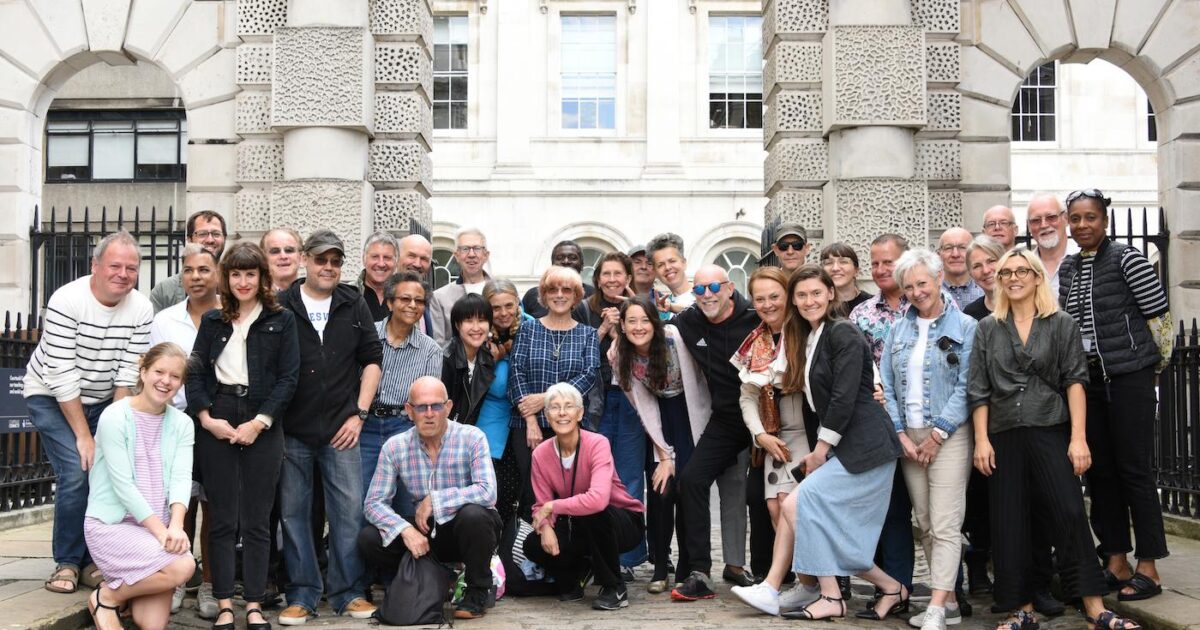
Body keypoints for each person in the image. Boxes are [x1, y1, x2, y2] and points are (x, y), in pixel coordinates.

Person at [970, 249, 1143, 630]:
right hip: (1003, 435)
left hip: (1050, 428)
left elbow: (1075, 381)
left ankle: (1095, 607)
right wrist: (981, 440)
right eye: (1005, 273)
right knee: (1010, 522)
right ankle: (1022, 609)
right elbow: (978, 389)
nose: (1013, 278)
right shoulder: (987, 328)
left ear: (1036, 277)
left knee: (1069, 514)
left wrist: (1078, 439)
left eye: (1021, 271)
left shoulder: (1061, 323)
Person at [731, 265, 903, 621]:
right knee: (802, 509)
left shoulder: (843, 333)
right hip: (848, 446)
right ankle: (881, 587)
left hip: (867, 446)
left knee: (800, 505)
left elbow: (842, 399)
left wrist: (820, 451)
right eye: (802, 295)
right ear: (794, 301)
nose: (809, 301)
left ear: (830, 293)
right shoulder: (811, 335)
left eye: (816, 293)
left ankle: (833, 593)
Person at [1059, 188, 1173, 603]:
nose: (1083, 225)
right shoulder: (1070, 268)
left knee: (1135, 472)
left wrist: (1150, 368)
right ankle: (1115, 561)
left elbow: (1159, 318)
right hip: (1088, 385)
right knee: (1100, 474)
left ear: (1104, 221)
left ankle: (1149, 566)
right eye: (1076, 218)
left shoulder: (1128, 259)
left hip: (1129, 379)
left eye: (1090, 217)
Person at [25, 230, 153, 595]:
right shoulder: (67, 300)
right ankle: (66, 562)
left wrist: (110, 431)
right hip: (51, 395)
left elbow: (128, 375)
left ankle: (94, 559)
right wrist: (84, 436)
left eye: (131, 267)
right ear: (95, 266)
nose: (123, 274)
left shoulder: (141, 308)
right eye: (115, 265)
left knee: (107, 472)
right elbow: (61, 375)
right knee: (78, 471)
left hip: (103, 399)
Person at [187, 242, 299, 630]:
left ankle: (252, 603)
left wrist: (261, 421)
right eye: (236, 274)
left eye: (250, 274)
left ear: (262, 277)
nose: (243, 281)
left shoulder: (281, 320)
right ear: (226, 278)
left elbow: (289, 378)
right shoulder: (213, 320)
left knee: (256, 520)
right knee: (220, 518)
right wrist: (206, 418)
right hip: (218, 416)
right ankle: (223, 604)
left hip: (262, 419)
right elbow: (196, 373)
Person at [277, 230, 383, 625]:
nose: (329, 267)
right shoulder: (282, 304)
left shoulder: (352, 302)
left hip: (342, 428)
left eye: (336, 261)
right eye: (322, 259)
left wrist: (359, 413)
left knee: (348, 513)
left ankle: (348, 593)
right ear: (305, 259)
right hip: (292, 431)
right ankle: (302, 594)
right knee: (294, 514)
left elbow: (372, 359)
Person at [880, 249, 976, 630]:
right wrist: (900, 433)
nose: (917, 291)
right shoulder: (897, 330)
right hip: (909, 438)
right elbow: (886, 385)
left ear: (938, 280)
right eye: (909, 286)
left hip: (948, 434)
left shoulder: (966, 327)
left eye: (922, 283)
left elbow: (968, 386)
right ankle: (948, 599)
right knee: (925, 521)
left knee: (947, 522)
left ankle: (935, 605)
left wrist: (938, 433)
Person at [358, 376, 501, 620]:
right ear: (409, 411)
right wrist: (405, 529)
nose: (429, 414)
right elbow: (373, 503)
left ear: (448, 407)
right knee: (369, 538)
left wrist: (435, 500)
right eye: (421, 407)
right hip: (425, 533)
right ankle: (430, 579)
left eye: (436, 406)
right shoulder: (395, 446)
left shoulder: (472, 437)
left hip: (463, 530)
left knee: (474, 515)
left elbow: (487, 491)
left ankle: (478, 589)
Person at [83, 343, 197, 630]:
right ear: (143, 371)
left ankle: (120, 591)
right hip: (112, 526)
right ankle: (106, 597)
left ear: (181, 383)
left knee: (151, 623)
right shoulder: (115, 416)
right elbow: (123, 485)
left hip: (154, 532)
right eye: (159, 371)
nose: (165, 381)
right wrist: (162, 533)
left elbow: (182, 478)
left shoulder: (183, 423)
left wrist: (177, 526)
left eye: (174, 376)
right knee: (183, 565)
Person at [670, 265, 761, 601]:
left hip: (767, 417)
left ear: (729, 287)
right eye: (699, 289)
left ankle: (760, 570)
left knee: (757, 496)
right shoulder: (690, 320)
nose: (707, 294)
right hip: (726, 420)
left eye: (713, 287)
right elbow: (657, 329)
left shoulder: (755, 315)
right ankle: (699, 572)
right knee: (692, 480)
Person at [728, 267, 816, 610]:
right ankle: (804, 584)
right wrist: (760, 435)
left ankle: (788, 584)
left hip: (808, 433)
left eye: (774, 296)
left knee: (791, 508)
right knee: (774, 508)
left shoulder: (807, 333)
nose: (767, 304)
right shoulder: (758, 341)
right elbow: (747, 396)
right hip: (775, 436)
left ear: (788, 295)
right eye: (760, 298)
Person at [611, 296, 708, 593]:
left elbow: (698, 385)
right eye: (632, 321)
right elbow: (643, 405)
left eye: (644, 320)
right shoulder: (618, 355)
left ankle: (686, 566)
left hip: (691, 412)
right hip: (659, 419)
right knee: (661, 490)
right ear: (623, 326)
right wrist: (664, 454)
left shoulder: (673, 338)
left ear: (655, 321)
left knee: (685, 488)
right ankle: (660, 565)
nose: (639, 327)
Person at [526, 383, 646, 611]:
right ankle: (581, 569)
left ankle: (614, 586)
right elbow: (541, 505)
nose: (562, 413)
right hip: (579, 523)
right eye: (554, 407)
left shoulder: (597, 443)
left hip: (622, 521)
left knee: (595, 513)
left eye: (569, 406)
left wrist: (553, 506)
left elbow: (598, 499)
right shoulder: (540, 454)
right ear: (546, 415)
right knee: (532, 544)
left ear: (580, 413)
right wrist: (545, 527)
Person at [147, 244, 220, 616]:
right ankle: (177, 578)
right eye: (189, 270)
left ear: (216, 273)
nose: (195, 277)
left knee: (213, 505)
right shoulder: (165, 320)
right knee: (180, 504)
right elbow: (153, 371)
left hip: (218, 424)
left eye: (204, 270)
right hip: (174, 423)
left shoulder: (230, 315)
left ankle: (208, 584)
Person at [847, 233, 916, 607]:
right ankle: (894, 586)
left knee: (933, 513)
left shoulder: (924, 302)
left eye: (887, 262)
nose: (880, 269)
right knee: (889, 509)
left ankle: (949, 593)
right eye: (874, 263)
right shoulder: (862, 314)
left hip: (923, 422)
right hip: (880, 427)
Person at [508, 266, 600, 518]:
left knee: (568, 494)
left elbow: (589, 376)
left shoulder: (588, 335)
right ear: (544, 295)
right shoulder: (527, 329)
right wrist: (530, 421)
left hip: (569, 425)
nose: (559, 295)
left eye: (566, 289)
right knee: (532, 495)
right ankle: (532, 553)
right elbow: (516, 373)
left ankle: (566, 552)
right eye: (552, 289)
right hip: (528, 427)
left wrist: (545, 399)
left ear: (576, 296)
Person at [576, 252, 645, 576]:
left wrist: (630, 319)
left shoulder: (640, 306)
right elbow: (580, 355)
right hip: (597, 400)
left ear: (628, 277)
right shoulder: (584, 309)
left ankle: (628, 558)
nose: (613, 279)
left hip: (632, 400)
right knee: (597, 476)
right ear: (598, 277)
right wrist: (604, 328)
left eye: (619, 273)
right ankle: (597, 552)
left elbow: (649, 351)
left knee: (630, 477)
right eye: (607, 274)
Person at [360, 271, 442, 505]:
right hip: (365, 425)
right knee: (363, 502)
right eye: (405, 299)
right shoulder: (366, 335)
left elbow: (429, 403)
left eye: (419, 301)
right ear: (389, 301)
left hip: (406, 429)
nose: (412, 306)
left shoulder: (431, 350)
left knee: (406, 505)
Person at [481, 279, 535, 523]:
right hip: (491, 419)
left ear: (518, 303)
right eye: (495, 308)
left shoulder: (533, 329)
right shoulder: (479, 330)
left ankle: (518, 553)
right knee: (495, 490)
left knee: (527, 490)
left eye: (508, 306)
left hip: (527, 419)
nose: (503, 313)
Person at [150, 211, 227, 312]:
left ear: (225, 238)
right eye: (202, 234)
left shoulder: (238, 286)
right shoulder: (164, 292)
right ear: (189, 240)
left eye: (216, 234)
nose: (210, 240)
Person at [430, 227, 492, 346]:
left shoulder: (501, 293)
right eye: (465, 249)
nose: (471, 254)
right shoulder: (439, 298)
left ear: (486, 255)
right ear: (457, 255)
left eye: (477, 248)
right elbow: (438, 344)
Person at [522, 240, 597, 318]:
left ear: (582, 265)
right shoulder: (532, 295)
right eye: (560, 258)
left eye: (572, 258)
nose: (566, 261)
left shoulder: (594, 295)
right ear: (552, 264)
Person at [1027, 192, 1071, 295]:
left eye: (1051, 217)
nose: (1044, 225)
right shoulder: (1024, 266)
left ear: (1066, 218)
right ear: (1029, 226)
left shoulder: (1086, 260)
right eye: (1036, 220)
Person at [646, 233, 694, 318]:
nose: (667, 267)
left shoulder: (705, 293)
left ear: (684, 263)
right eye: (660, 265)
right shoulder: (661, 310)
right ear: (655, 273)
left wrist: (672, 307)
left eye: (672, 261)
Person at [356, 231, 399, 321]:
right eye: (375, 257)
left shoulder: (405, 296)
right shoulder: (349, 294)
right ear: (364, 259)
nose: (381, 264)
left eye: (387, 257)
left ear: (396, 262)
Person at [820, 242, 871, 313]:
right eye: (828, 263)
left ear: (856, 270)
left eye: (843, 262)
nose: (835, 268)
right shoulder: (818, 306)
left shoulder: (871, 305)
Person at [938, 228, 984, 307]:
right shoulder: (930, 292)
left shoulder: (986, 290)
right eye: (948, 248)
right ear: (939, 254)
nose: (955, 254)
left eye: (962, 247)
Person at [963, 235, 1004, 321]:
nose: (986, 270)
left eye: (991, 261)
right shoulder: (970, 314)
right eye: (977, 266)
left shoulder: (1023, 307)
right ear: (970, 273)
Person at [260, 228, 303, 293]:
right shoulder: (253, 298)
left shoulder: (313, 296)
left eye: (289, 250)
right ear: (263, 258)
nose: (283, 256)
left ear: (300, 257)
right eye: (275, 251)